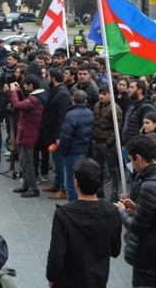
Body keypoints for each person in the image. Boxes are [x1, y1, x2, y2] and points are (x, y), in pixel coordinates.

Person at [46, 158, 121, 288]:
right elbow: (115, 250)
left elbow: (56, 255)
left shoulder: (64, 214)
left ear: (76, 182)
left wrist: (52, 279)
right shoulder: (112, 212)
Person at [115, 134, 156, 288]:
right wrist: (137, 207)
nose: (132, 164)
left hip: (149, 255)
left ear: (139, 158)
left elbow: (137, 227)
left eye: (131, 160)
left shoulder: (150, 186)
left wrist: (123, 211)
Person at [9, 74, 48, 198]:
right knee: (24, 161)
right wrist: (19, 92)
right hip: (27, 131)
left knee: (28, 162)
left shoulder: (34, 99)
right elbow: (24, 102)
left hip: (28, 132)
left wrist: (13, 92)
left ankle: (33, 188)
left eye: (24, 85)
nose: (23, 86)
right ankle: (26, 185)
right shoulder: (36, 96)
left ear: (31, 85)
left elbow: (18, 105)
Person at [59, 90, 95, 203]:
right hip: (83, 149)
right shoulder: (90, 113)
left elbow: (65, 135)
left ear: (72, 99)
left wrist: (63, 151)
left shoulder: (70, 115)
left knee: (70, 181)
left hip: (72, 151)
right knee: (80, 178)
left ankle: (73, 205)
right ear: (85, 101)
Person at [43, 67, 73, 199]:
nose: (47, 79)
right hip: (50, 132)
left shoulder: (63, 94)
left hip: (57, 134)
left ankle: (64, 189)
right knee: (55, 160)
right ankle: (57, 183)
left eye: (48, 77)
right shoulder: (55, 91)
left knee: (60, 163)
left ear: (53, 78)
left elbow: (63, 116)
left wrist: (58, 136)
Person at [91, 87, 123, 201]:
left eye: (104, 94)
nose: (101, 96)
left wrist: (109, 142)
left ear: (110, 95)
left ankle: (114, 194)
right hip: (97, 141)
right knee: (98, 168)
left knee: (112, 169)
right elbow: (94, 123)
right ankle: (99, 190)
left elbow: (118, 128)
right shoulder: (97, 105)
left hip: (107, 144)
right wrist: (93, 138)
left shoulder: (115, 109)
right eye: (100, 94)